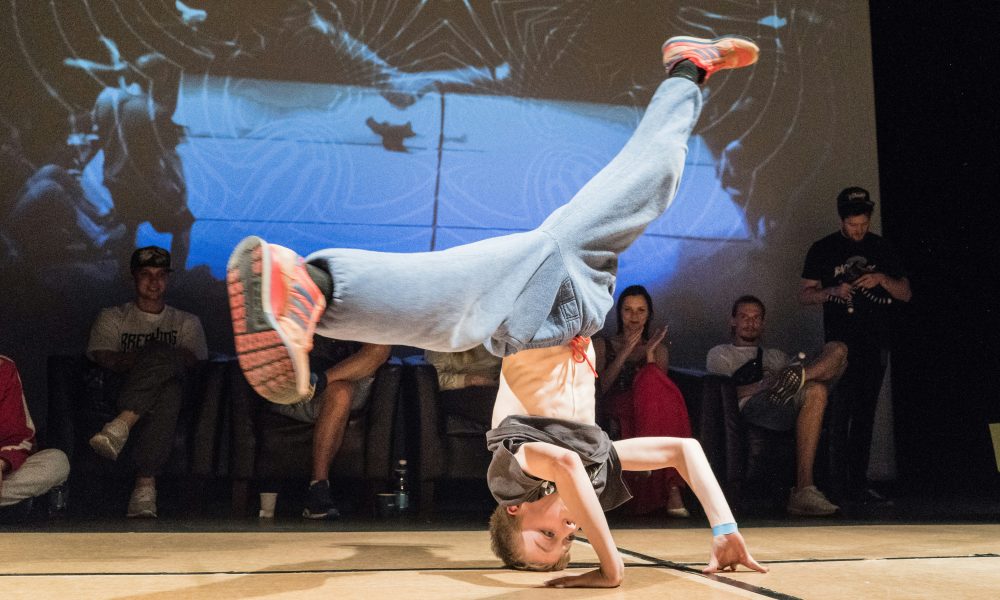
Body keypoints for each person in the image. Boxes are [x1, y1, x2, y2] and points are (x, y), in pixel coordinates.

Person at [228, 34, 764, 586]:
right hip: (574, 292)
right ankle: (687, 67)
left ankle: (310, 288)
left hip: (538, 308)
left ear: (515, 510)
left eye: (546, 536)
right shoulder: (595, 456)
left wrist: (611, 568)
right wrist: (723, 527)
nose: (567, 531)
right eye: (569, 543)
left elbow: (569, 469)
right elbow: (683, 451)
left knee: (452, 313)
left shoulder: (520, 465)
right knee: (654, 180)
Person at [799, 187, 911, 502]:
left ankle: (858, 484)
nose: (858, 229)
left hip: (875, 344)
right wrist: (833, 291)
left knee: (865, 414)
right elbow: (804, 294)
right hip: (839, 347)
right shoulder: (823, 249)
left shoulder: (882, 248)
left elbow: (905, 292)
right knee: (838, 412)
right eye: (852, 224)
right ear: (841, 220)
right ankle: (833, 486)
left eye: (863, 223)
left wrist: (881, 280)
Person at [86, 246, 208, 517]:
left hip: (173, 397)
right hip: (121, 388)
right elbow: (107, 358)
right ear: (133, 277)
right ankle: (145, 488)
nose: (154, 282)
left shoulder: (187, 322)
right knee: (168, 381)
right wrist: (153, 356)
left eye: (161, 274)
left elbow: (192, 360)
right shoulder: (113, 316)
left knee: (172, 387)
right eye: (146, 274)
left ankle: (121, 425)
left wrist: (149, 356)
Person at [706, 295, 847, 516]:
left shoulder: (776, 356)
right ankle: (803, 489)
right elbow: (722, 394)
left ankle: (803, 491)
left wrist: (790, 378)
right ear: (732, 321)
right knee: (816, 387)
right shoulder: (721, 353)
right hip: (753, 407)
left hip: (785, 404)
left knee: (837, 350)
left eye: (756, 318)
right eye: (744, 317)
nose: (750, 322)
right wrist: (766, 384)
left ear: (763, 323)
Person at [593, 284, 692, 517]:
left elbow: (660, 395)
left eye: (641, 311)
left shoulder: (658, 350)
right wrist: (626, 351)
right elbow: (601, 389)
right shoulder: (601, 345)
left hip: (646, 408)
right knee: (652, 386)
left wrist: (648, 356)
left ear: (649, 315)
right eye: (628, 310)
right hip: (615, 403)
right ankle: (672, 488)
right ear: (619, 313)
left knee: (652, 380)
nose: (634, 317)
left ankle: (670, 484)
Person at [269, 335, 390, 519]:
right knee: (340, 392)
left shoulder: (360, 308)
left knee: (381, 345)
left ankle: (319, 382)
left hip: (347, 379)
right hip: (300, 391)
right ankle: (318, 486)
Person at [92, 53, 194, 270]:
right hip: (146, 188)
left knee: (129, 223)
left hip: (113, 181)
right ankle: (177, 278)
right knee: (184, 223)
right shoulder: (155, 113)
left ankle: (123, 274)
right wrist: (182, 190)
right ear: (160, 79)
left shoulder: (105, 97)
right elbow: (171, 157)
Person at [0, 355, 70, 519]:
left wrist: (2, 463)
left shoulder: (4, 367)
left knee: (56, 461)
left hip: (3, 472)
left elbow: (19, 438)